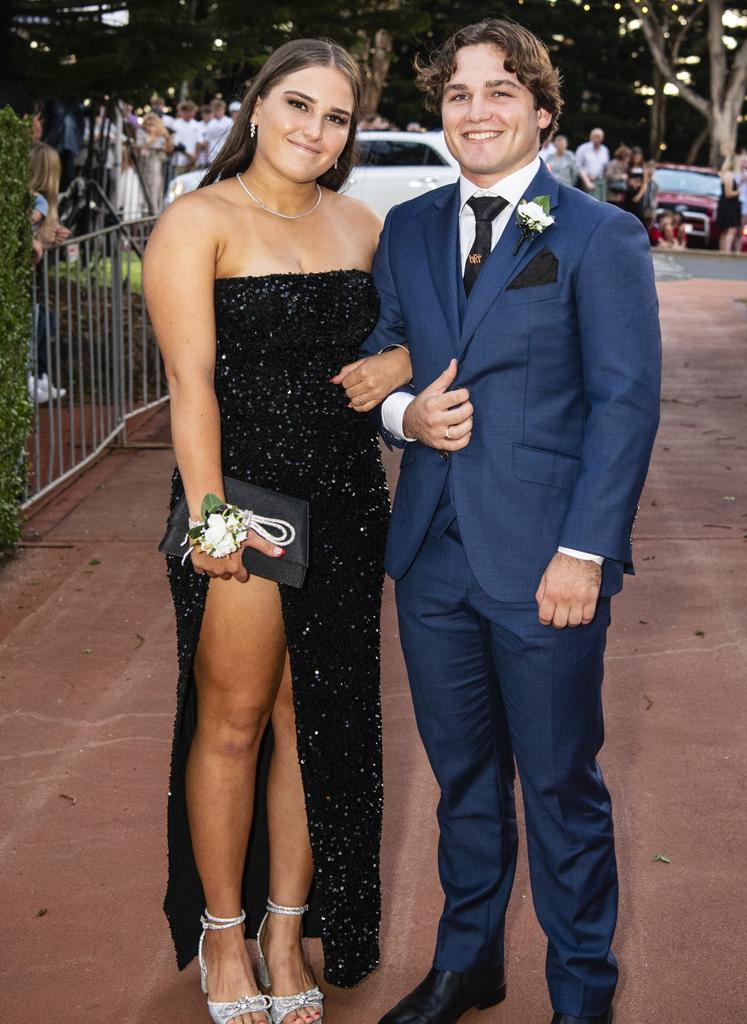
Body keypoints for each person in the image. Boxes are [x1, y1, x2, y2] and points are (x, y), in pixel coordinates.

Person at [347, 18, 661, 1024]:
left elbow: (625, 404)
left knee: (561, 790)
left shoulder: (600, 236)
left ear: (542, 111)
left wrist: (584, 552)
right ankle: (467, 963)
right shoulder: (409, 230)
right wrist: (406, 415)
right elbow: (389, 350)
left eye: (499, 91)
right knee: (464, 782)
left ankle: (583, 996)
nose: (475, 111)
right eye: (458, 94)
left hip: (546, 565)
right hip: (433, 557)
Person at [143, 38, 412, 1024]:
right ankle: (223, 934)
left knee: (317, 721)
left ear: (351, 134)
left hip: (346, 498)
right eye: (297, 105)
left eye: (336, 117)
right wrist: (211, 516)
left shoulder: (363, 224)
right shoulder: (198, 220)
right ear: (258, 108)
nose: (314, 129)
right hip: (246, 500)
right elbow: (191, 388)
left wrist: (406, 357)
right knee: (237, 715)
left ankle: (284, 924)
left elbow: (419, 334)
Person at [29, 141, 70, 404]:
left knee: (45, 320)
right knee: (37, 322)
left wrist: (51, 236)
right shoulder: (39, 201)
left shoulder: (42, 203)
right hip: (28, 282)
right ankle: (33, 377)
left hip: (34, 281)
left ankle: (39, 375)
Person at [575, 127, 610, 201]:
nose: (596, 139)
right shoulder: (583, 148)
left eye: (599, 137)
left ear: (602, 138)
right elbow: (578, 166)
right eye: (594, 136)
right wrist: (587, 181)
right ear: (590, 137)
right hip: (588, 182)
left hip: (601, 182)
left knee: (602, 205)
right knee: (590, 205)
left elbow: (606, 167)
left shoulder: (604, 150)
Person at [170, 100, 203, 175]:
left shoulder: (197, 124)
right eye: (191, 111)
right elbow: (175, 142)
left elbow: (200, 141)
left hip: (193, 161)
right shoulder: (176, 124)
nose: (193, 113)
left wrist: (195, 155)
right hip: (179, 161)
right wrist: (188, 154)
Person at [717, 155, 742, 252]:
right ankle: (726, 252)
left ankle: (722, 252)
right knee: (730, 230)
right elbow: (728, 193)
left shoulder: (727, 174)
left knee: (725, 231)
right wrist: (738, 192)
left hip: (729, 205)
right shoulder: (728, 175)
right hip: (728, 206)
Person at [201, 98, 234, 165]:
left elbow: (232, 140)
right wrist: (206, 157)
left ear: (223, 110)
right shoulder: (210, 123)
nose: (217, 112)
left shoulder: (229, 122)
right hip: (212, 157)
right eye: (215, 110)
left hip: (225, 156)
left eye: (219, 110)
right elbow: (207, 141)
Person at [625, 146, 648, 222]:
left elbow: (645, 183)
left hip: (638, 194)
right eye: (635, 157)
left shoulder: (643, 168)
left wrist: (639, 195)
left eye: (638, 157)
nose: (636, 159)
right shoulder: (628, 167)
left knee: (639, 215)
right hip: (629, 194)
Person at [604, 144, 630, 208]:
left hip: (621, 195)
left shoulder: (626, 165)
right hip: (612, 194)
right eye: (628, 156)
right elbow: (608, 176)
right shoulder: (613, 163)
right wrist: (620, 177)